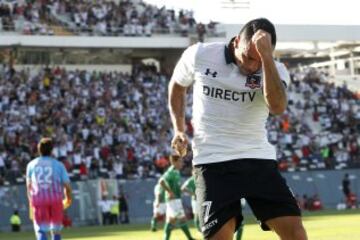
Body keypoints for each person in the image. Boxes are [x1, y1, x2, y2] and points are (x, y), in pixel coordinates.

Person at [168, 18, 308, 240]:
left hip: (257, 159)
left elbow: (278, 107)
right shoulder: (200, 54)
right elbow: (177, 85)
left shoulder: (274, 69)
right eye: (248, 57)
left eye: (258, 60)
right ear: (235, 42)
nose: (252, 66)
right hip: (213, 162)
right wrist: (179, 129)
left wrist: (266, 59)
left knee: (296, 233)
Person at [26, 138, 72, 240]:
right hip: (56, 200)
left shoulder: (31, 165)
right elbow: (67, 185)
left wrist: (31, 202)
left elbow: (29, 187)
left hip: (39, 200)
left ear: (38, 150)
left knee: (41, 230)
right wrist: (68, 198)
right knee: (56, 230)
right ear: (51, 150)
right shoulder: (59, 165)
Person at [159, 155, 195, 240]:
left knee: (171, 220)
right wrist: (169, 191)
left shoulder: (176, 171)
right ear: (174, 162)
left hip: (176, 199)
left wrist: (179, 190)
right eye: (180, 161)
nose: (182, 163)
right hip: (173, 200)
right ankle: (190, 238)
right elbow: (161, 181)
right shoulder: (170, 172)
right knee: (182, 218)